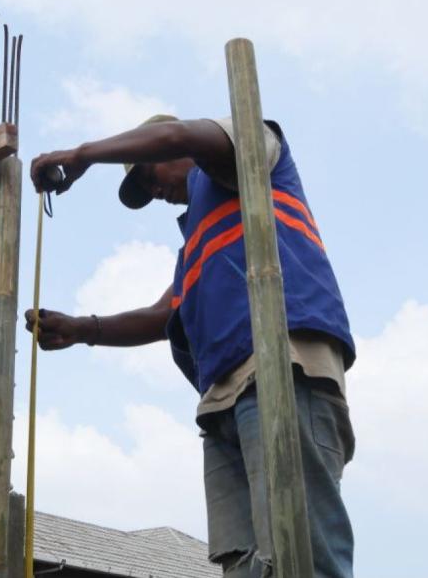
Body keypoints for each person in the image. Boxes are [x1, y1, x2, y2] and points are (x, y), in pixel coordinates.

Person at [25, 115, 356, 578]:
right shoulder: (196, 237)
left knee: (301, 549)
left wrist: (83, 156)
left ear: (166, 148)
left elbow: (180, 135)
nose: (153, 192)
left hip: (283, 361)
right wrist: (84, 329)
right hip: (224, 396)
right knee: (244, 563)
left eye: (147, 174)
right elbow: (165, 316)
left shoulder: (245, 159)